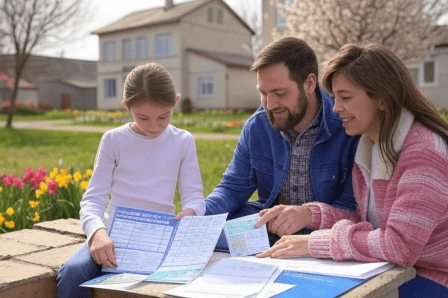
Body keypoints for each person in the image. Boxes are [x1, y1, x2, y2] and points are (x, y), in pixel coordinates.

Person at [257, 43, 448, 297]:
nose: (335, 107)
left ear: (382, 98)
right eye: (335, 97)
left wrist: (314, 243)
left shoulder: (424, 152)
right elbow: (370, 226)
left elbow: (399, 246)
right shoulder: (371, 146)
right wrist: (308, 215)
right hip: (400, 270)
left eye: (346, 97)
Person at [56, 62, 206, 298]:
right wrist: (97, 233)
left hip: (162, 237)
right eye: (143, 117)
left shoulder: (182, 141)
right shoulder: (114, 141)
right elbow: (93, 200)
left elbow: (194, 196)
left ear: (175, 101)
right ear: (127, 106)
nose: (154, 126)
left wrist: (192, 212)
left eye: (163, 116)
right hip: (115, 237)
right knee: (73, 272)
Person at [205, 37, 359, 249]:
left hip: (322, 242)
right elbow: (232, 188)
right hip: (267, 238)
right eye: (263, 93)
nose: (269, 104)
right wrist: (196, 214)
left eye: (279, 93)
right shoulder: (257, 126)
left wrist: (307, 216)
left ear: (309, 83)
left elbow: (353, 208)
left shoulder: (347, 126)